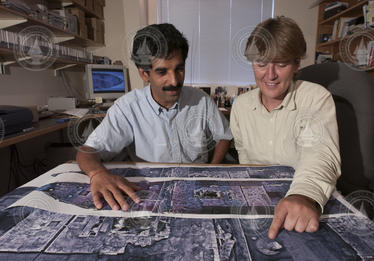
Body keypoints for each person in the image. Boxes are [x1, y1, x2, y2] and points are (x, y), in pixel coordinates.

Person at [77, 23, 232, 211]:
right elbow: (87, 151)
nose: (174, 81)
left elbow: (223, 136)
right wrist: (98, 174)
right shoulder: (127, 108)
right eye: (162, 71)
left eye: (179, 69)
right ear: (144, 74)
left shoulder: (201, 100)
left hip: (196, 188)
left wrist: (211, 170)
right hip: (150, 192)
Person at [230, 17, 341, 239]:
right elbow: (245, 162)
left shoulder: (315, 98)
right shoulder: (241, 106)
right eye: (261, 64)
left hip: (302, 203)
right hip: (257, 206)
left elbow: (319, 154)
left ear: (297, 64)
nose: (270, 75)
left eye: (281, 64)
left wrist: (303, 195)